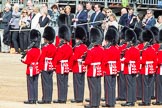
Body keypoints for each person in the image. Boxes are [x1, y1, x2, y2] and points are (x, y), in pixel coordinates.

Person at [84, 27, 104, 108]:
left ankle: (93, 103)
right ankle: (97, 103)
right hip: (98, 69)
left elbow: (88, 61)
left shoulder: (91, 50)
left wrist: (83, 62)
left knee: (92, 87)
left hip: (92, 70)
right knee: (98, 87)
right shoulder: (101, 49)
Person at [53, 25, 73, 104]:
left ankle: (61, 98)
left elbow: (57, 58)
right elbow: (71, 58)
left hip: (60, 66)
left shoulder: (60, 48)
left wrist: (54, 65)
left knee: (60, 83)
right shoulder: (69, 47)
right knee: (65, 83)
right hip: (66, 66)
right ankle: (64, 98)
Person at [21, 29, 41, 104]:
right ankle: (35, 98)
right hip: (37, 68)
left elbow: (28, 62)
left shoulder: (30, 51)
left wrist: (22, 60)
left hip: (31, 69)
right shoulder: (39, 50)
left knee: (30, 84)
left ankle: (31, 99)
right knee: (35, 84)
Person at [121, 29, 140, 106]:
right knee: (133, 85)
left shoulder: (128, 50)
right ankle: (133, 99)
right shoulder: (137, 50)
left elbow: (127, 60)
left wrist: (122, 60)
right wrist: (137, 70)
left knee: (129, 85)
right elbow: (138, 61)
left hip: (128, 69)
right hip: (134, 68)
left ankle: (129, 101)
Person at [37, 26, 56, 104]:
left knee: (45, 83)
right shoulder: (54, 47)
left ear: (46, 39)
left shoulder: (45, 48)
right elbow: (55, 58)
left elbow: (42, 58)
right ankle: (49, 98)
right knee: (50, 83)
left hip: (45, 66)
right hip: (51, 66)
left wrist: (40, 68)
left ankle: (45, 99)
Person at [102, 28, 120, 107]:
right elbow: (118, 60)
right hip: (114, 69)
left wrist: (102, 70)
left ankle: (109, 102)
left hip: (108, 69)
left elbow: (104, 61)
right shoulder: (116, 49)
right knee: (113, 86)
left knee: (108, 86)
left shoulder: (107, 49)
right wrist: (118, 70)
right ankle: (112, 102)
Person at [138, 29, 157, 106]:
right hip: (151, 69)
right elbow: (155, 60)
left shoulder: (145, 51)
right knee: (149, 85)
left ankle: (145, 101)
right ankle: (148, 100)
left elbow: (143, 61)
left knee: (145, 86)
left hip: (145, 69)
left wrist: (140, 59)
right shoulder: (153, 50)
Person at [69, 26, 87, 103]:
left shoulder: (77, 47)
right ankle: (80, 97)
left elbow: (74, 57)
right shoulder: (85, 46)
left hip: (77, 66)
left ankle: (78, 98)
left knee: (76, 83)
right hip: (82, 66)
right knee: (81, 83)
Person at [152, 29, 162, 105]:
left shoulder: (160, 50)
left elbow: (158, 61)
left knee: (159, 85)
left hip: (159, 70)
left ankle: (159, 100)